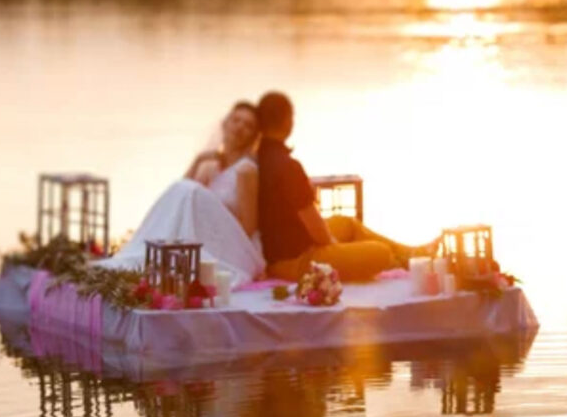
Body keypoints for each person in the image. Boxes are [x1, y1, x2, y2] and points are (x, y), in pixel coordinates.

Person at [255, 91, 432, 282]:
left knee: (347, 224)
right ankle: (405, 258)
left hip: (285, 249)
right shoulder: (288, 167)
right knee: (380, 252)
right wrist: (335, 247)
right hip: (297, 261)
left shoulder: (258, 159)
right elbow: (320, 236)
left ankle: (412, 253)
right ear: (288, 122)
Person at [98, 101, 266, 287]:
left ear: (253, 137)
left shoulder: (246, 170)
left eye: (248, 125)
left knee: (188, 189)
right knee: (184, 189)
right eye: (236, 120)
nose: (240, 127)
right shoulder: (212, 167)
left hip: (235, 248)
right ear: (225, 123)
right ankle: (143, 250)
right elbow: (179, 199)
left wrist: (216, 226)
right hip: (208, 240)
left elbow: (248, 228)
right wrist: (198, 160)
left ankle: (150, 250)